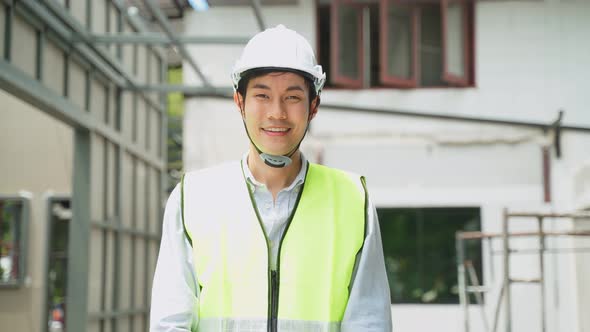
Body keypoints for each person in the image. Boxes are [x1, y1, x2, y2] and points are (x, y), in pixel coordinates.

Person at [150, 24, 392, 332]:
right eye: (262, 95)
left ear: (313, 106)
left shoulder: (353, 199)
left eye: (292, 97)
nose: (276, 112)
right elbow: (170, 324)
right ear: (240, 102)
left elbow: (369, 323)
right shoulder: (192, 197)